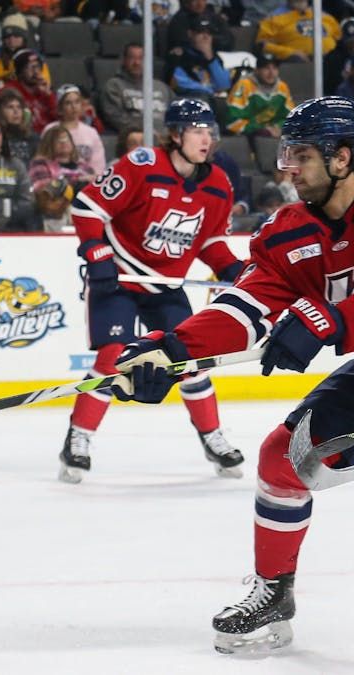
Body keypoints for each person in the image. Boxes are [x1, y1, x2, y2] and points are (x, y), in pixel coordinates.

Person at [110, 97, 354, 674]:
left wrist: (325, 321)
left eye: (300, 155)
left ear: (343, 157)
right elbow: (245, 306)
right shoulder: (286, 230)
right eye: (285, 154)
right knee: (281, 461)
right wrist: (172, 349)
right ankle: (274, 593)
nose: (287, 168)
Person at [57, 99, 246, 485]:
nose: (206, 139)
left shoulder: (218, 184)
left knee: (193, 359)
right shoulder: (142, 164)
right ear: (175, 134)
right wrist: (98, 256)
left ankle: (212, 437)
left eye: (210, 131)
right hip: (120, 278)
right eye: (197, 130)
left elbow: (209, 240)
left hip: (165, 285)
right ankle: (78, 439)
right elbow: (87, 207)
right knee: (113, 357)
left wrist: (231, 268)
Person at [103, 43, 175, 134]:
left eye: (141, 58)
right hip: (135, 138)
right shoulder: (114, 85)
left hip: (165, 138)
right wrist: (144, 131)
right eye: (132, 58)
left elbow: (176, 112)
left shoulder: (162, 87)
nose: (137, 62)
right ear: (124, 60)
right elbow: (115, 116)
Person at [226, 53, 295, 136]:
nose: (271, 72)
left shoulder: (282, 87)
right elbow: (232, 120)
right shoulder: (244, 85)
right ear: (257, 70)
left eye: (275, 68)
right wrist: (259, 129)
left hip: (271, 134)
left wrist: (278, 128)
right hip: (247, 135)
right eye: (266, 68)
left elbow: (290, 118)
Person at [44, 84, 107, 175]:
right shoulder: (50, 130)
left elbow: (98, 167)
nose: (74, 107)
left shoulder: (91, 133)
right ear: (60, 108)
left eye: (77, 102)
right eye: (68, 103)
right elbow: (44, 161)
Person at [169, 16, 231, 98]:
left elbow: (224, 86)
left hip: (213, 101)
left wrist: (210, 58)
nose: (206, 37)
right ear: (190, 33)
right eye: (201, 32)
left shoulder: (215, 58)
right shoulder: (179, 55)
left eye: (209, 33)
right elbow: (178, 82)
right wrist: (209, 91)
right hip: (190, 100)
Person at [257, 0, 340, 62]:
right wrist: (291, 53)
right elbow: (262, 45)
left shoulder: (325, 16)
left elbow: (339, 38)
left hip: (329, 61)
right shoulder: (274, 17)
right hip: (297, 64)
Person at [0, 49, 57, 133]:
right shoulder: (9, 90)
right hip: (24, 138)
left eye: (37, 66)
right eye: (29, 67)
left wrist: (49, 95)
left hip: (49, 138)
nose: (35, 72)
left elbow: (60, 118)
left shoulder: (45, 90)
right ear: (19, 72)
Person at [31, 125, 94, 191]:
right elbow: (42, 187)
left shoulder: (85, 167)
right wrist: (78, 180)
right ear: (49, 143)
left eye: (66, 138)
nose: (63, 142)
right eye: (58, 140)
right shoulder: (40, 164)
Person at [0, 87, 39, 167]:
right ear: (0, 111)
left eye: (19, 107)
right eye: (10, 107)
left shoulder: (33, 138)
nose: (16, 111)